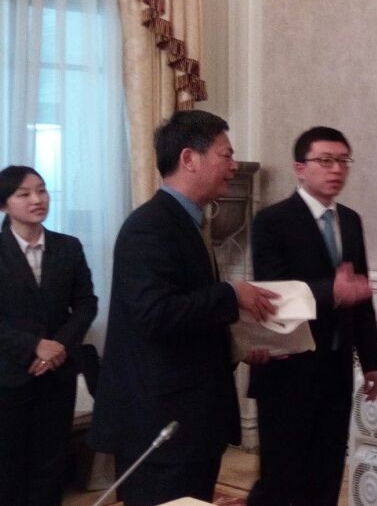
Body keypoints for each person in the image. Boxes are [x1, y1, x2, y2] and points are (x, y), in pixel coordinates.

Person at [89, 110, 278, 506]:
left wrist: (238, 348)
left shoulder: (187, 224)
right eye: (226, 155)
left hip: (190, 421)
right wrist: (230, 294)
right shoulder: (149, 227)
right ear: (189, 158)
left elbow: (189, 320)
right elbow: (155, 314)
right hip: (160, 425)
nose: (234, 166)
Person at [246, 126, 377, 506]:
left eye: (343, 161)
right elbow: (274, 293)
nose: (336, 169)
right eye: (325, 160)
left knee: (326, 476)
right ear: (299, 168)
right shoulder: (272, 221)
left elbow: (361, 295)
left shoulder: (351, 220)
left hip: (335, 370)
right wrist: (331, 292)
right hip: (287, 371)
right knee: (282, 481)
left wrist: (371, 361)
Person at [0, 165, 98, 506]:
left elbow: (86, 303)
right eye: (24, 194)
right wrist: (34, 346)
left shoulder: (68, 247)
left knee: (51, 466)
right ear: (4, 204)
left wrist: (59, 347)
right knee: (9, 467)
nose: (37, 199)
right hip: (10, 375)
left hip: (58, 375)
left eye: (41, 190)